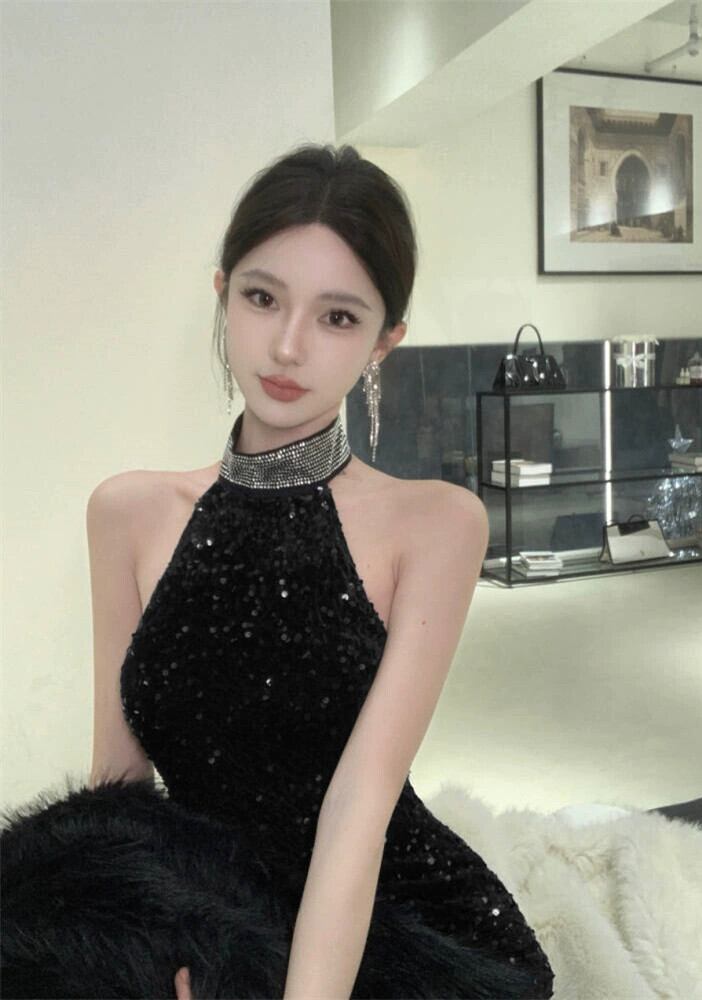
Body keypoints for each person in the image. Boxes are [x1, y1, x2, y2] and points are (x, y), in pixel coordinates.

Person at [2, 142, 554, 999]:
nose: (288, 346)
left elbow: (359, 807)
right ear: (223, 295)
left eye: (338, 317)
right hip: (222, 902)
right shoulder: (127, 512)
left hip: (393, 924)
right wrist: (142, 950)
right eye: (263, 298)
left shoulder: (438, 524)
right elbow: (120, 794)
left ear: (385, 341)